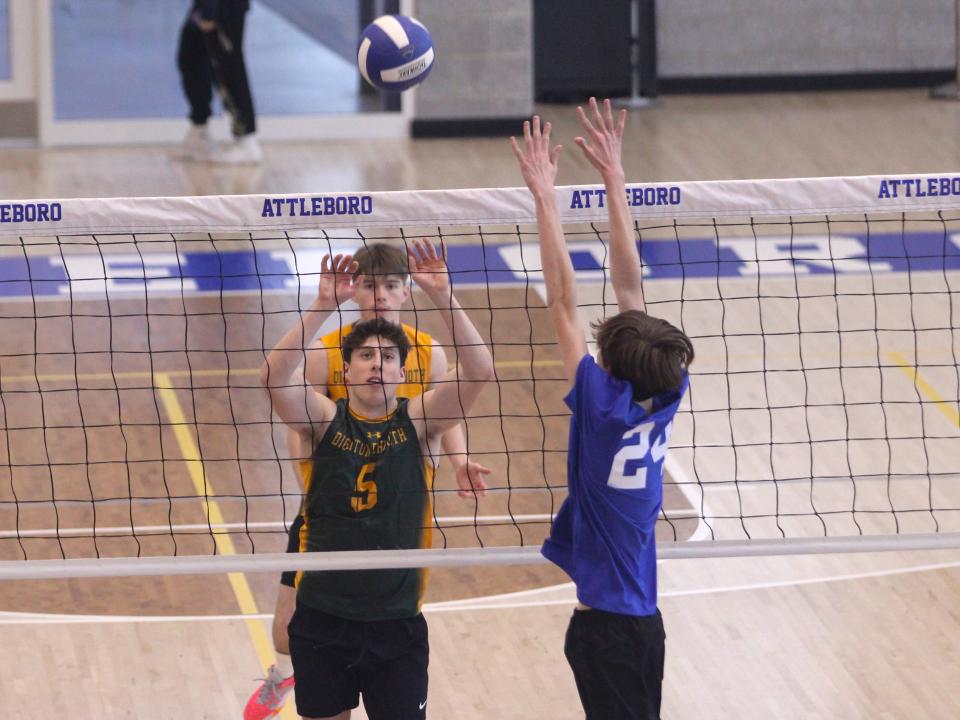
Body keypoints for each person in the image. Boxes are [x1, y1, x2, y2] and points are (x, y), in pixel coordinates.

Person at [243, 243, 491, 720]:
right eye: (365, 356)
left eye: (387, 358)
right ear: (347, 365)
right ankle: (286, 672)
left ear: (403, 373)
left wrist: (444, 296)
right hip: (325, 600)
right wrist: (321, 305)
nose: (377, 363)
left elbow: (477, 373)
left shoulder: (418, 419)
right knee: (283, 633)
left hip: (394, 617)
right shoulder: (324, 415)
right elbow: (274, 378)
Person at [510, 98, 695, 719]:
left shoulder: (601, 406)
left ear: (611, 364)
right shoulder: (667, 391)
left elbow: (564, 300)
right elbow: (629, 291)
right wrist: (616, 180)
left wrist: (544, 196)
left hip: (610, 631)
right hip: (642, 622)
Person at [176, 0, 262, 164]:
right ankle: (199, 129)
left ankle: (247, 139)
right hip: (204, 6)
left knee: (228, 65)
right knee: (190, 54)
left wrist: (209, 9)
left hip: (222, 6)